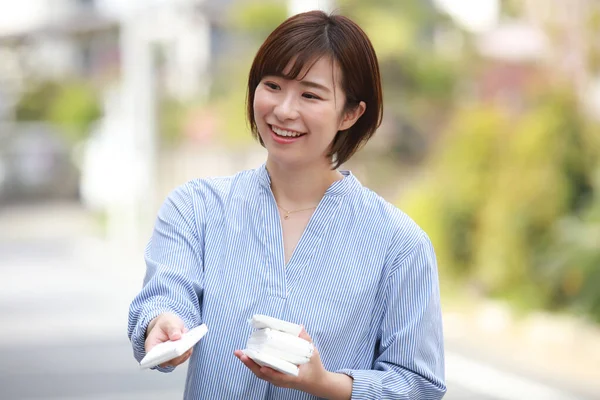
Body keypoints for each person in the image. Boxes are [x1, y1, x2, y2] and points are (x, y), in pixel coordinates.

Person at [128, 10, 446, 400]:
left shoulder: (400, 244)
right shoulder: (196, 208)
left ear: (350, 113)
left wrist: (325, 383)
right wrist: (163, 322)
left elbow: (417, 384)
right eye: (273, 86)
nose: (283, 110)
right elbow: (166, 294)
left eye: (310, 94)